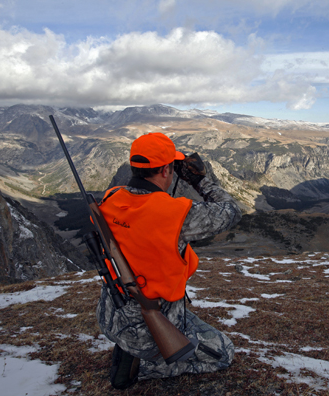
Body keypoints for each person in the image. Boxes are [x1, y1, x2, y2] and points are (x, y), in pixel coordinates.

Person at [95, 132, 242, 389]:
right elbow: (231, 212)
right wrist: (200, 182)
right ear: (165, 170)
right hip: (148, 329)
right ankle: (145, 364)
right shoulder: (175, 215)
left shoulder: (111, 198)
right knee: (223, 353)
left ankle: (131, 348)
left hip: (111, 318)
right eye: (172, 168)